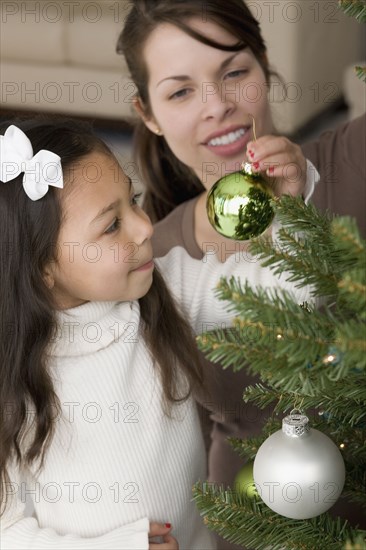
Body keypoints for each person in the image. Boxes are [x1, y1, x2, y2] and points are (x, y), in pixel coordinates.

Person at [116, 0, 318, 488]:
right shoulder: (155, 263)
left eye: (233, 73)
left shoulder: (351, 160)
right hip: (246, 521)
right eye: (181, 91)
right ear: (150, 114)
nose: (216, 105)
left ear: (265, 65)